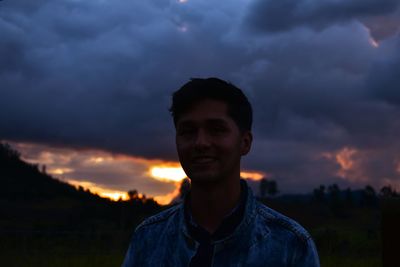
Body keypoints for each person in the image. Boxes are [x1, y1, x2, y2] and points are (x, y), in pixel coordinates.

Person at [122, 77, 320, 267]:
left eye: (216, 129)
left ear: (245, 142)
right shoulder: (148, 239)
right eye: (188, 131)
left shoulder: (290, 245)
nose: (201, 143)